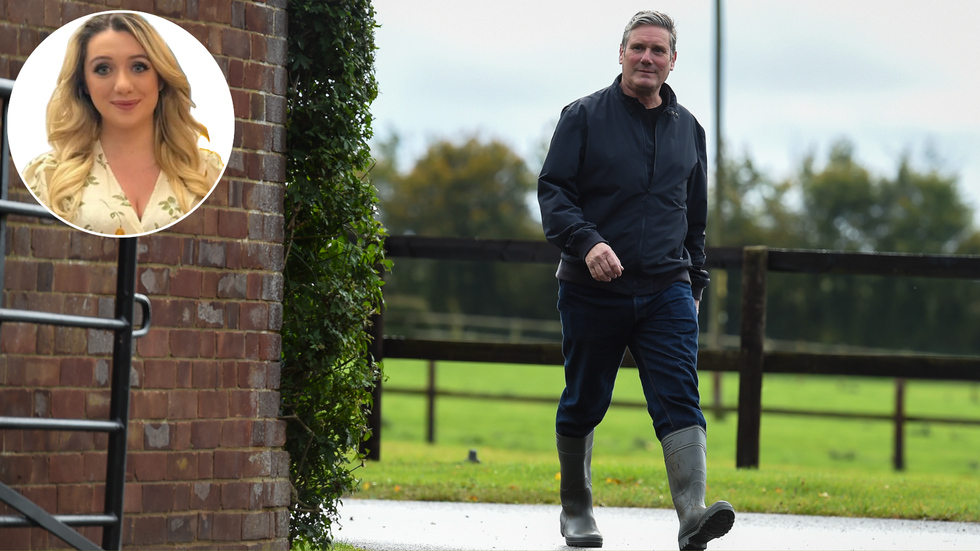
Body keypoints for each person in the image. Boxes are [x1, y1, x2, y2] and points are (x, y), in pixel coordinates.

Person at [537, 10, 735, 550]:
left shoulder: (689, 129)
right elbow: (554, 193)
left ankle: (692, 514)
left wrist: (694, 285)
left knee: (679, 396)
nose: (647, 58)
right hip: (591, 287)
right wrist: (588, 242)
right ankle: (576, 509)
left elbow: (694, 220)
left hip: (666, 289)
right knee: (585, 398)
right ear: (620, 53)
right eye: (638, 48)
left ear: (673, 62)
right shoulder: (582, 117)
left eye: (658, 51)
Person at [21, 12, 223, 236]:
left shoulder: (208, 171)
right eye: (103, 69)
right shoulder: (45, 177)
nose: (123, 85)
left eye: (139, 67)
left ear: (161, 78)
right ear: (84, 84)